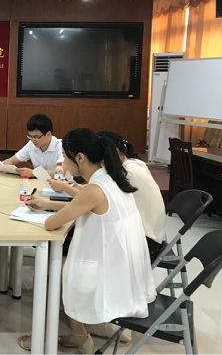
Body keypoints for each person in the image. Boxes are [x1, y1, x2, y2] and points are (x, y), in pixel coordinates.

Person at [19, 128, 155, 353]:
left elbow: (51, 224)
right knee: (59, 263)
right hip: (124, 265)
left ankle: (41, 337)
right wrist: (48, 204)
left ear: (80, 158)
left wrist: (50, 210)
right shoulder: (113, 179)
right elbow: (86, 206)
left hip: (110, 272)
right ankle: (78, 334)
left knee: (50, 269)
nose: (63, 163)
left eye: (65, 157)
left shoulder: (94, 189)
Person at [97, 131, 167, 262]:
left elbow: (97, 200)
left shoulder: (127, 173)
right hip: (151, 236)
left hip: (145, 242)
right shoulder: (134, 164)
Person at [1, 114, 65, 178]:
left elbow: (61, 172)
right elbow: (12, 160)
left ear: (48, 134)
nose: (33, 140)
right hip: (40, 182)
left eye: (36, 137)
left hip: (63, 182)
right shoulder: (31, 145)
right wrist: (1, 166)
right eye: (30, 136)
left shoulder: (62, 146)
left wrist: (33, 173)